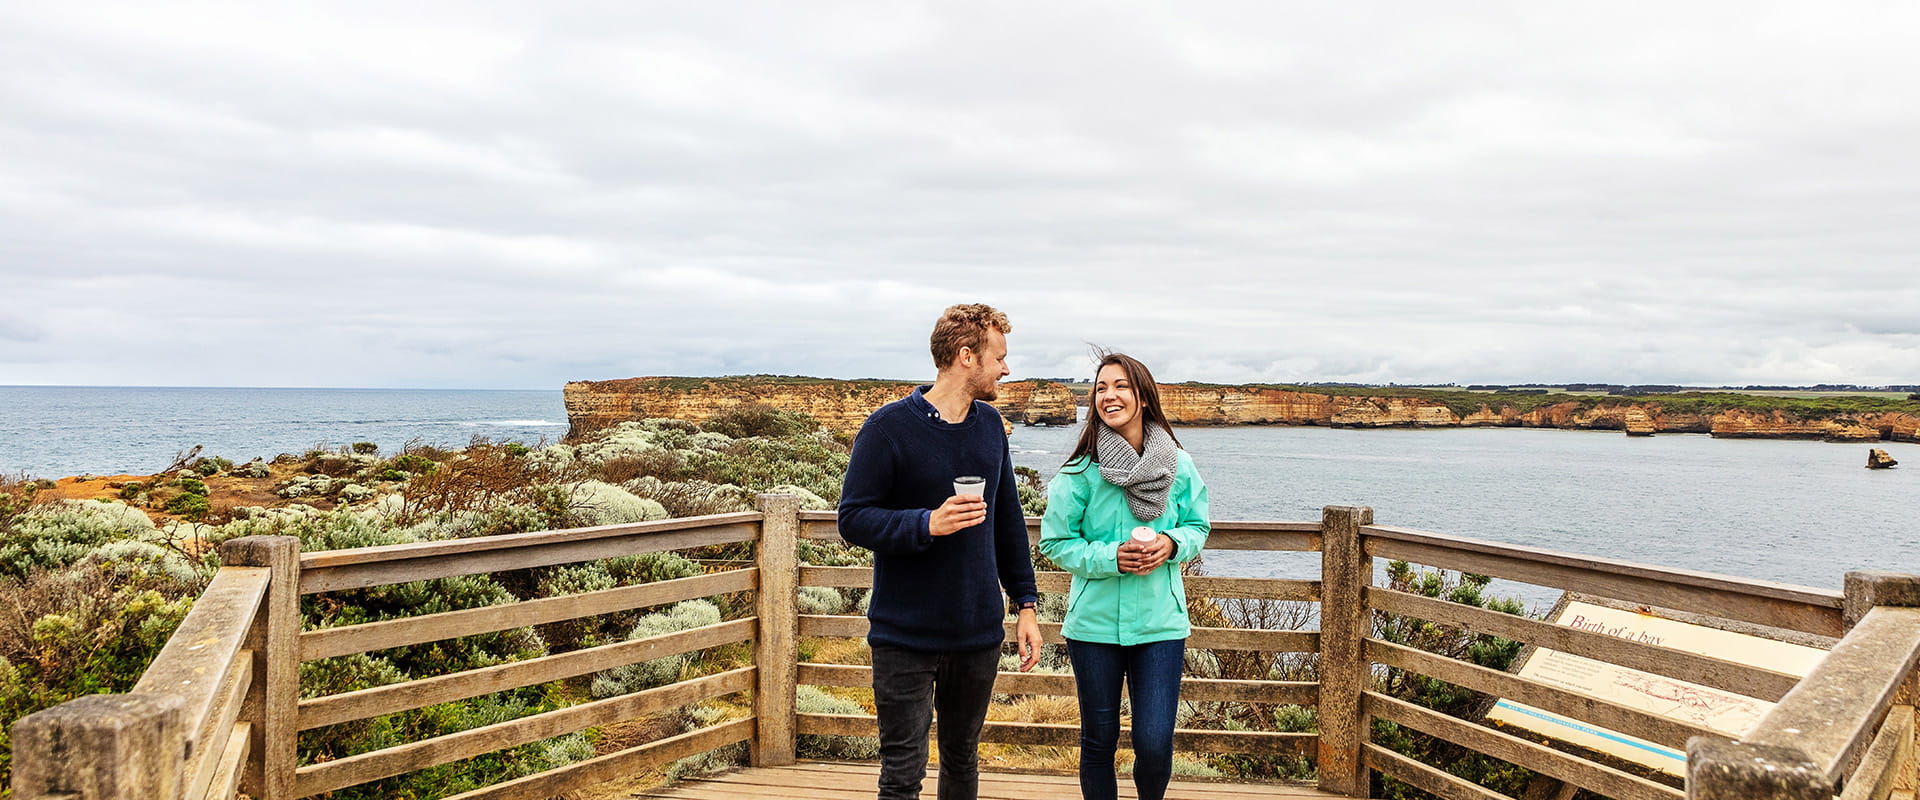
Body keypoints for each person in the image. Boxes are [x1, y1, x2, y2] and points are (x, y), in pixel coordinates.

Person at [838, 303, 1044, 800]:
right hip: (903, 634)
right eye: (1000, 356)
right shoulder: (888, 428)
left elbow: (1007, 520)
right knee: (902, 774)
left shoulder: (991, 426)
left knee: (962, 760)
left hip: (975, 633)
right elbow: (853, 518)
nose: (1007, 368)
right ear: (967, 356)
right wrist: (926, 522)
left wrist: (1027, 605)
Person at [1039, 352, 1210, 800]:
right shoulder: (1079, 473)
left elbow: (1198, 526)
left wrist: (1172, 545)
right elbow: (1055, 543)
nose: (1109, 396)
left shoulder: (1179, 465)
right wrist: (1110, 556)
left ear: (1143, 397)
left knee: (1154, 743)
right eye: (1101, 388)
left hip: (1160, 624)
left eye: (1120, 386)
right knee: (1098, 740)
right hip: (1093, 625)